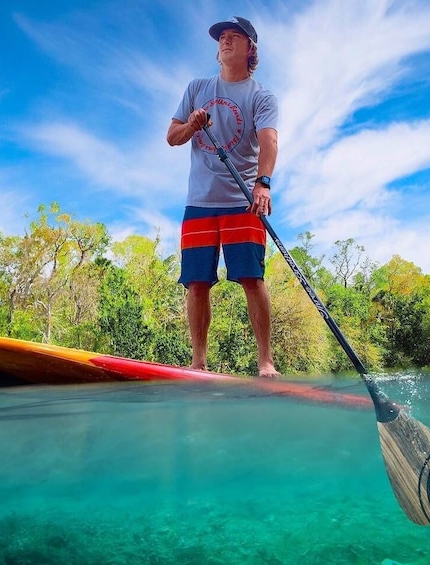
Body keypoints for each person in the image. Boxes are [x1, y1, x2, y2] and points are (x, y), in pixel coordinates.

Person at [166, 16, 280, 378]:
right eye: (222, 37)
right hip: (199, 201)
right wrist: (192, 125)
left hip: (243, 198)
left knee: (252, 278)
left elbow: (269, 142)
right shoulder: (197, 88)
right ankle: (198, 363)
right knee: (197, 283)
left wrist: (262, 184)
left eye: (234, 36)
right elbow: (172, 137)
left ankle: (265, 362)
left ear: (251, 48)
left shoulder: (261, 96)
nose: (225, 41)